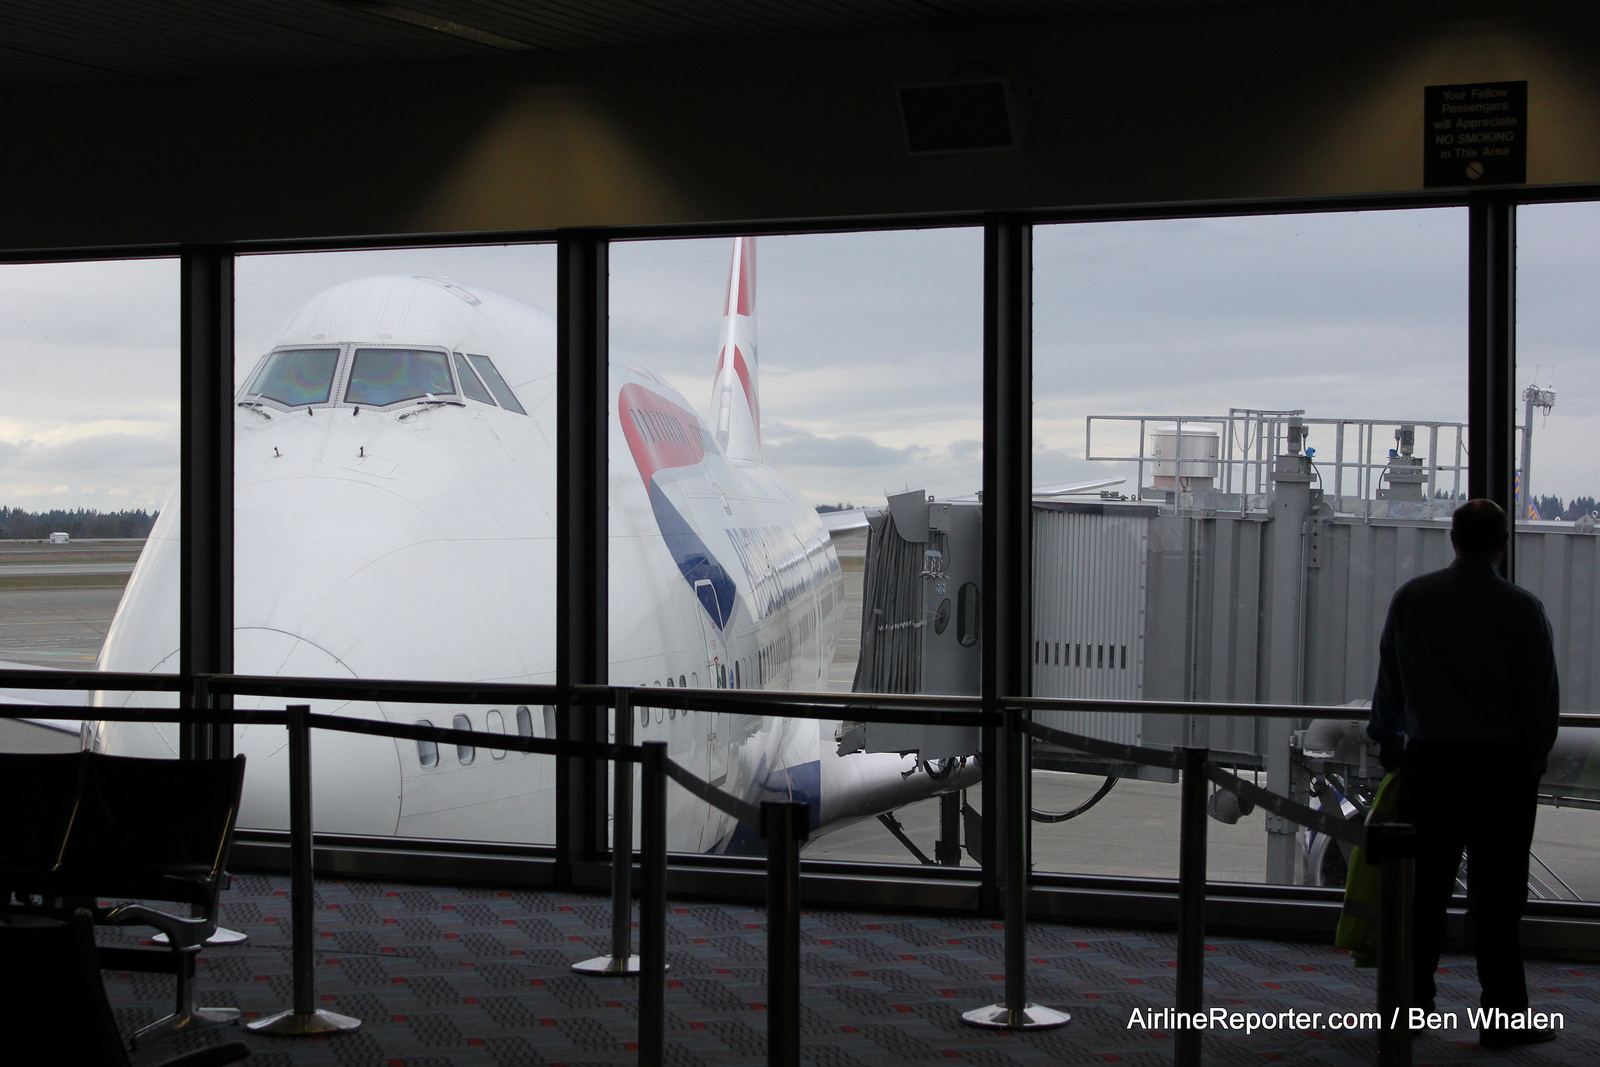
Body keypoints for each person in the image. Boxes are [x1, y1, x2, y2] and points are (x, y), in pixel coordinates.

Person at [1367, 498, 1559, 1049]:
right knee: (1499, 900)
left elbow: (1391, 686)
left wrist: (1391, 746)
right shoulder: (1523, 609)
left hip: (1431, 764)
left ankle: (1408, 1006)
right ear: (1504, 542)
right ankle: (1503, 1016)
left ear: (1453, 539)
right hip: (1500, 770)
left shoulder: (1413, 600)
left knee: (1422, 895)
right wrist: (1530, 765)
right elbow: (1541, 704)